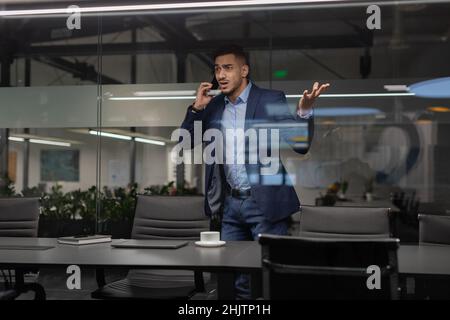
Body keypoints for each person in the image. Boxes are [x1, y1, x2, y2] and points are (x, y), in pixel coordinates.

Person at [180, 44, 329, 299]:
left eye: (228, 68)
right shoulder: (214, 106)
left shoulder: (270, 99)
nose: (221, 75)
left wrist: (304, 110)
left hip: (265, 203)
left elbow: (300, 145)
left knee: (270, 274)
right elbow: (185, 142)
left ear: (244, 70)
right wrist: (197, 108)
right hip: (230, 206)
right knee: (232, 275)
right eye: (217, 69)